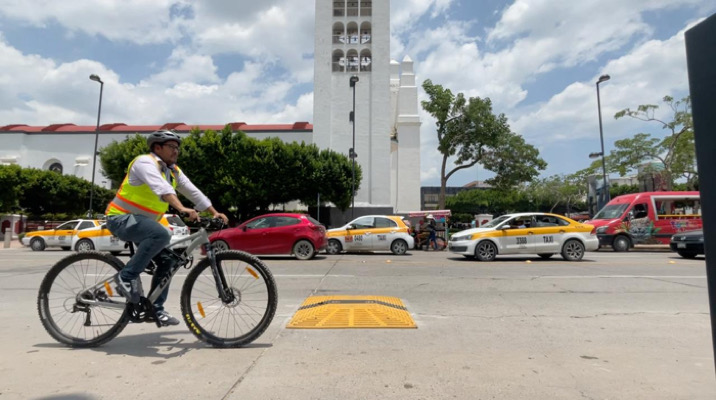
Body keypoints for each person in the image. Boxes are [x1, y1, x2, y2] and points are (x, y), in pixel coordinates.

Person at [105, 130, 228, 326]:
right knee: (160, 234)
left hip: (142, 224)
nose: (176, 151)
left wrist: (214, 212)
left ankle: (155, 309)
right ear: (157, 147)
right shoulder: (144, 163)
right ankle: (125, 278)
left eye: (178, 148)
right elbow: (161, 188)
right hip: (120, 219)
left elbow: (193, 191)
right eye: (172, 147)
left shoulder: (173, 171)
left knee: (169, 260)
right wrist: (181, 208)